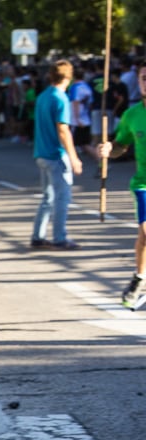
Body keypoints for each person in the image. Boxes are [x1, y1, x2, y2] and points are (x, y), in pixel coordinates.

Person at [97, 64, 146, 311]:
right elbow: (120, 145)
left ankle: (139, 277)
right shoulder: (132, 115)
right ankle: (140, 279)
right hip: (143, 183)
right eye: (144, 78)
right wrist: (109, 149)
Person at [30, 61, 83, 252]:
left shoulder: (44, 96)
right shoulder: (61, 98)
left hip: (41, 152)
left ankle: (38, 235)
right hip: (55, 154)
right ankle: (60, 237)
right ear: (68, 77)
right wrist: (74, 157)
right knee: (62, 197)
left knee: (48, 197)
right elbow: (63, 130)